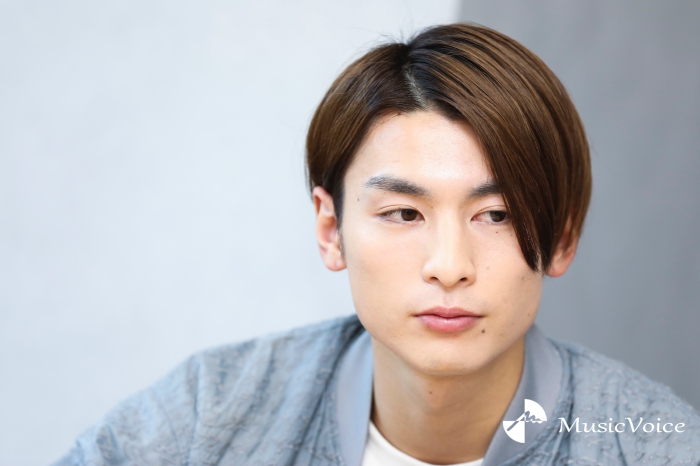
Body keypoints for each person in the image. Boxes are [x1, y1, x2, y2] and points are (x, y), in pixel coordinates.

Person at [54, 23, 700, 466]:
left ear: (562, 237)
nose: (449, 266)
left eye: (497, 215)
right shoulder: (209, 417)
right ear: (330, 229)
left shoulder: (652, 445)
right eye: (403, 213)